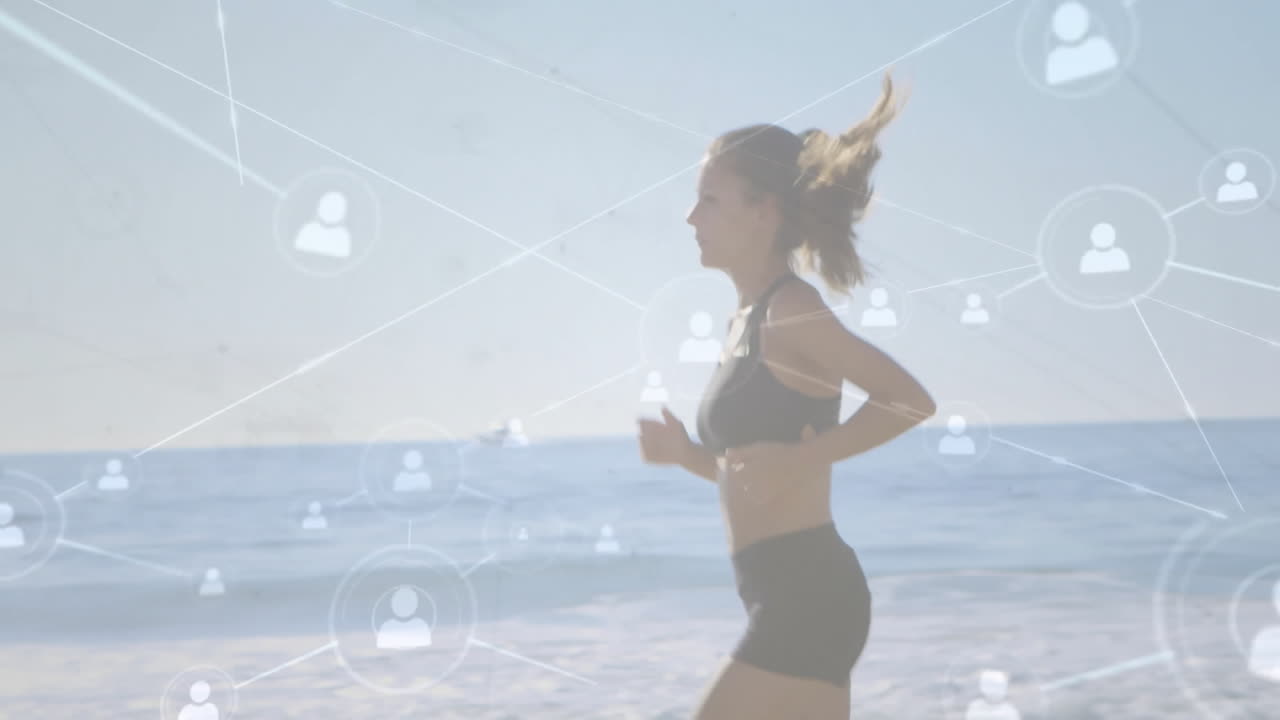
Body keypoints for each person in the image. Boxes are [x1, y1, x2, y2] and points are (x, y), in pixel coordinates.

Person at [637, 74, 936, 719]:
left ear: (764, 210)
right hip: (785, 592)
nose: (691, 218)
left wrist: (808, 458)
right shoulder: (745, 318)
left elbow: (909, 400)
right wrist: (686, 454)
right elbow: (753, 471)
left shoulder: (790, 310)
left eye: (709, 201)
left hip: (807, 595)